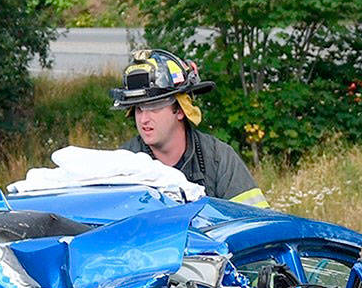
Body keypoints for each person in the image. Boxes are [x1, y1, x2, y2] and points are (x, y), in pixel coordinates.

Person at [113, 49, 268, 207]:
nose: (144, 119)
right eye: (138, 109)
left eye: (154, 107)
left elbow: (255, 222)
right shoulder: (125, 165)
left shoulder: (218, 158)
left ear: (180, 110)